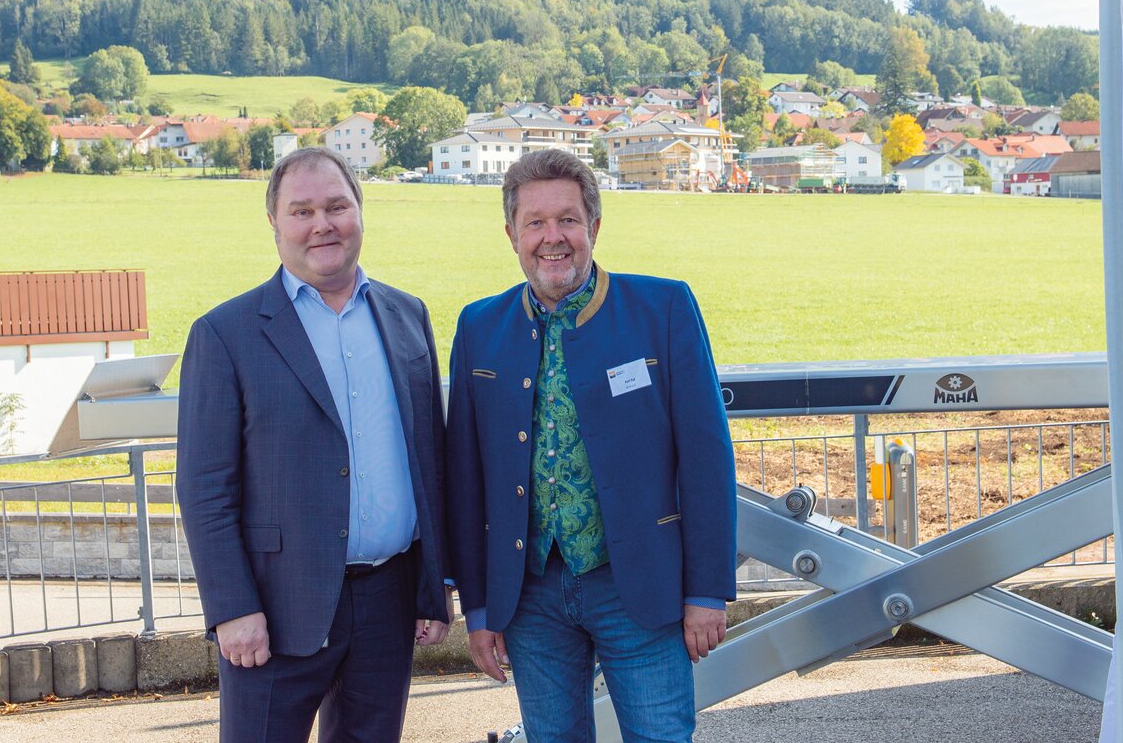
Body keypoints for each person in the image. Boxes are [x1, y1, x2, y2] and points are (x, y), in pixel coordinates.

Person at [446, 148, 738, 743]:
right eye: (535, 222)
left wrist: (708, 590)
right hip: (529, 597)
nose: (552, 237)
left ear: (595, 227)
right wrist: (477, 607)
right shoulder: (479, 327)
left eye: (568, 220)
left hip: (642, 588)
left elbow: (706, 458)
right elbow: (465, 479)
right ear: (512, 234)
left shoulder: (663, 309)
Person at [176, 147, 451, 743]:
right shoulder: (225, 334)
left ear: (360, 211)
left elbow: (428, 464)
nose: (322, 224)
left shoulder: (407, 316)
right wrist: (232, 608)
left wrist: (433, 590)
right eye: (301, 211)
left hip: (388, 603)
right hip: (274, 613)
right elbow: (204, 489)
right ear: (274, 223)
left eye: (336, 206)